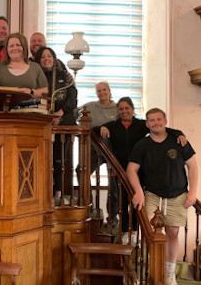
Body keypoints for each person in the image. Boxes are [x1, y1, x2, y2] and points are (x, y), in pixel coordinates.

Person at [100, 97, 186, 245]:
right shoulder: (113, 126)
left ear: (132, 109)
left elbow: (164, 130)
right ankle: (125, 231)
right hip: (119, 171)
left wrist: (179, 133)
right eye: (121, 109)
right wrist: (103, 128)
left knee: (136, 203)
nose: (124, 111)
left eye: (127, 108)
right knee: (122, 203)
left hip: (139, 171)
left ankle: (134, 232)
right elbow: (96, 130)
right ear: (118, 111)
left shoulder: (141, 125)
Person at [127, 108, 197, 285]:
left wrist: (193, 192)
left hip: (178, 195)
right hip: (152, 195)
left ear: (165, 121)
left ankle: (169, 272)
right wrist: (138, 191)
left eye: (158, 119)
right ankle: (154, 266)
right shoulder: (142, 145)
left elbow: (193, 166)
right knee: (150, 232)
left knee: (173, 233)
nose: (155, 123)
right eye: (151, 120)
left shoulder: (178, 141)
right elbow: (131, 170)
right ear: (147, 123)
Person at [34, 46, 77, 204]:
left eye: (49, 56)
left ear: (54, 58)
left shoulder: (64, 76)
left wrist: (60, 113)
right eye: (43, 57)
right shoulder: (36, 76)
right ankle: (43, 192)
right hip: (42, 124)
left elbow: (72, 97)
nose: (46, 59)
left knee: (59, 160)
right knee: (43, 160)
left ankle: (57, 193)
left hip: (62, 124)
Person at [75, 81, 119, 225]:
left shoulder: (117, 108)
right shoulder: (90, 106)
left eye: (104, 90)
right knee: (81, 170)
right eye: (99, 91)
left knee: (114, 184)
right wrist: (78, 130)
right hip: (94, 149)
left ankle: (112, 218)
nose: (102, 93)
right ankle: (90, 208)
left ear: (109, 91)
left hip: (112, 151)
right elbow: (74, 114)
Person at [0, 33, 48, 101]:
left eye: (18, 45)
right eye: (11, 46)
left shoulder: (35, 67)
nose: (15, 48)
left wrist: (31, 92)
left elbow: (45, 91)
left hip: (28, 109)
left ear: (24, 47)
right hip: (1, 109)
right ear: (7, 49)